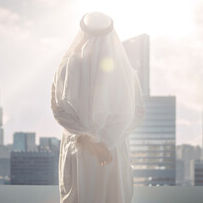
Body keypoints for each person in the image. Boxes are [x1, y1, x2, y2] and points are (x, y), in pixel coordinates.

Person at [51, 11, 145, 203]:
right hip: (111, 153)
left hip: (82, 150)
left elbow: (58, 110)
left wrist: (90, 140)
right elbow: (138, 113)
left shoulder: (66, 67)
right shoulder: (126, 72)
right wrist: (106, 141)